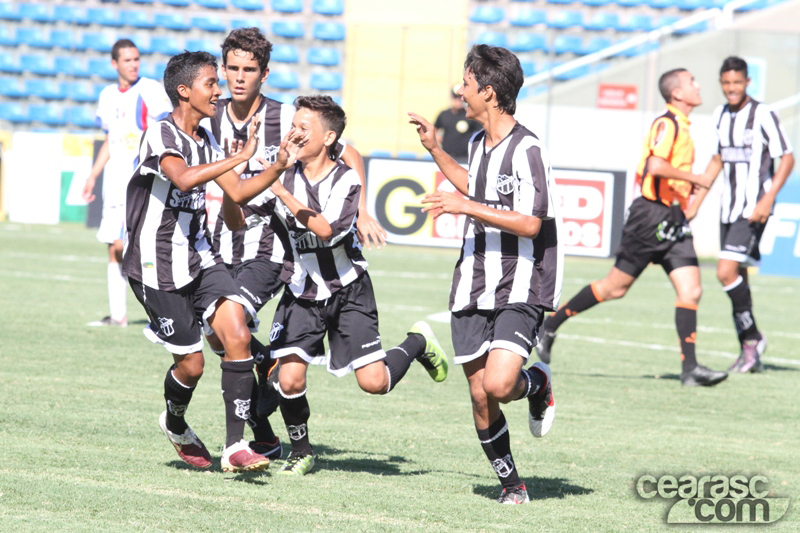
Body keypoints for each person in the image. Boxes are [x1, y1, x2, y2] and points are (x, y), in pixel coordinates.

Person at [222, 95, 449, 476]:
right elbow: (235, 221)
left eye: (303, 129)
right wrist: (231, 183)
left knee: (374, 383)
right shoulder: (279, 171)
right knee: (290, 377)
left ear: (328, 139)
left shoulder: (345, 181)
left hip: (348, 291)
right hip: (301, 293)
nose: (293, 134)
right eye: (292, 125)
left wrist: (277, 188)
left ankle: (418, 342)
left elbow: (325, 230)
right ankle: (302, 451)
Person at [203, 27, 386, 461]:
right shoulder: (210, 115)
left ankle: (255, 427)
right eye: (232, 68)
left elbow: (348, 150)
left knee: (232, 329)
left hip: (271, 248)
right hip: (224, 238)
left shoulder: (286, 117)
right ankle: (265, 428)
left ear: (264, 74)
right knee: (220, 337)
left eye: (249, 69)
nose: (239, 77)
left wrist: (359, 211)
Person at [122, 50, 302, 472]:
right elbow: (183, 177)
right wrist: (240, 156)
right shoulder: (161, 134)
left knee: (236, 331)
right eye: (211, 84)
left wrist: (275, 166)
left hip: (201, 257)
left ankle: (235, 447)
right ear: (185, 91)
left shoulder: (207, 139)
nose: (218, 91)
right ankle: (176, 422)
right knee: (192, 364)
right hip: (156, 264)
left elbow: (236, 193)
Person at [409, 44, 560, 505]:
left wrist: (467, 207)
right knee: (479, 394)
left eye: (467, 84)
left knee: (499, 383)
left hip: (521, 281)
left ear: (489, 93)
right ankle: (512, 485)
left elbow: (531, 222)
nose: (461, 91)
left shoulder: (529, 149)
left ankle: (538, 383)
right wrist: (435, 150)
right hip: (473, 280)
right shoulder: (477, 144)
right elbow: (472, 186)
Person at [535, 68, 729, 388]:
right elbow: (655, 165)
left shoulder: (684, 127)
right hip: (650, 217)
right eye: (692, 81)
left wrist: (694, 197)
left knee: (691, 290)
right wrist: (699, 179)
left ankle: (690, 369)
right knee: (615, 288)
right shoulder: (667, 124)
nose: (698, 85)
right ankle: (551, 325)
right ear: (677, 94)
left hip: (673, 219)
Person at [694, 56, 794, 372]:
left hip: (753, 209)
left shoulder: (763, 114)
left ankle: (751, 338)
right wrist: (695, 203)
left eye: (737, 83)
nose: (732, 89)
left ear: (747, 82)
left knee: (725, 272)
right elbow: (718, 159)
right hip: (729, 207)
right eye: (726, 83)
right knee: (736, 277)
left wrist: (768, 200)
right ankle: (750, 350)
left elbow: (787, 158)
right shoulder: (720, 114)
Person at [82, 39, 172, 328]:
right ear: (114, 64)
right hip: (114, 181)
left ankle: (163, 316)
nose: (134, 64)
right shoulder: (108, 95)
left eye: (136, 59)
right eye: (128, 60)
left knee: (137, 246)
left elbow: (165, 128)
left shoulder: (151, 91)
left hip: (140, 182)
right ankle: (118, 315)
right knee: (113, 246)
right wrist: (93, 175)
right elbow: (112, 139)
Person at [434, 85, 482, 163]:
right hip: (447, 156)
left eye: (460, 97)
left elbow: (481, 130)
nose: (458, 100)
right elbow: (435, 129)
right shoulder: (444, 114)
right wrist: (439, 139)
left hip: (465, 158)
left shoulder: (469, 115)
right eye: (455, 97)